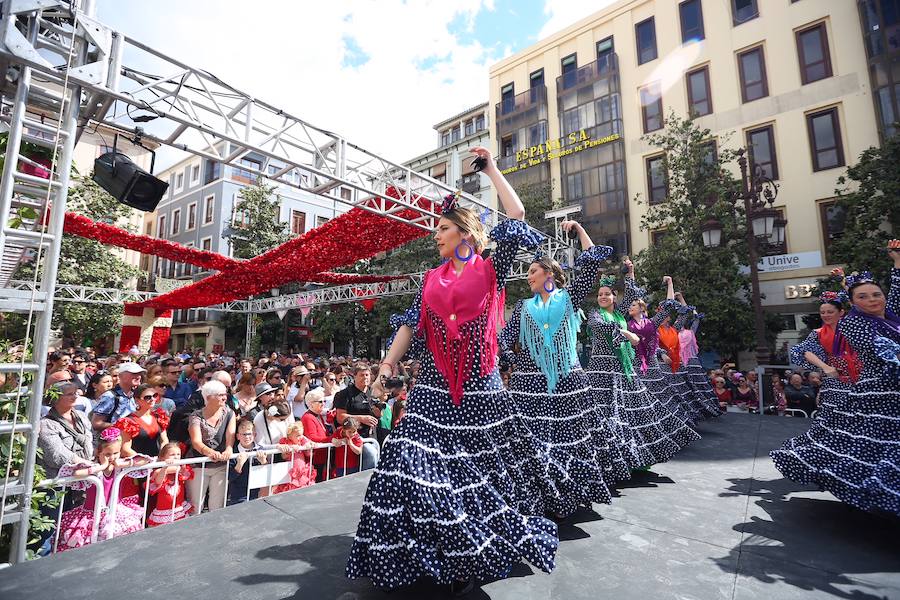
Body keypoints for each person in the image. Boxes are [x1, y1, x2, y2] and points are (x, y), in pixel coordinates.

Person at [347, 146, 558, 593]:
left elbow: (516, 213)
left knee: (475, 476)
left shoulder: (491, 268)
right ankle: (416, 558)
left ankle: (468, 555)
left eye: (442, 229)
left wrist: (492, 169)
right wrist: (386, 366)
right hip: (434, 389)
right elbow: (409, 325)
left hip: (481, 390)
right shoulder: (429, 279)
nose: (435, 236)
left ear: (464, 233)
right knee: (403, 462)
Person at [499, 220, 625, 517]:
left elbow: (591, 263)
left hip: (566, 382)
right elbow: (506, 336)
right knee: (531, 443)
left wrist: (579, 229)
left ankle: (567, 495)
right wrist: (508, 356)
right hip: (527, 385)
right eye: (528, 272)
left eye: (533, 271)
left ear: (551, 275)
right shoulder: (521, 307)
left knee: (565, 440)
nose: (528, 276)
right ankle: (538, 499)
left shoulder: (568, 300)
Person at [775, 245, 900, 515]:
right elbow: (803, 352)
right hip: (855, 385)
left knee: (866, 438)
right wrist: (825, 368)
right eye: (822, 312)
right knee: (841, 432)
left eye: (830, 311)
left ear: (839, 311)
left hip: (864, 383)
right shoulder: (839, 328)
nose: (826, 315)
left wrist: (896, 263)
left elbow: (883, 299)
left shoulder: (888, 319)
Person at [585, 263, 700, 471]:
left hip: (623, 369)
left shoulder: (621, 314)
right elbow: (600, 328)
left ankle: (631, 457)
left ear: (614, 297)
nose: (602, 297)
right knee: (604, 414)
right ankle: (604, 460)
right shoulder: (596, 315)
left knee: (632, 413)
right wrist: (629, 334)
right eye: (600, 294)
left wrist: (630, 273)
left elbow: (631, 296)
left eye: (607, 294)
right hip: (600, 373)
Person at [54, 428, 151, 551]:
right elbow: (76, 473)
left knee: (120, 544)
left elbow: (147, 460)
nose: (112, 457)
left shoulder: (119, 467)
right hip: (92, 515)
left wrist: (124, 464)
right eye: (107, 454)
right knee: (91, 546)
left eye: (116, 453)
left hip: (117, 512)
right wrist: (102, 467)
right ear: (98, 453)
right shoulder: (94, 469)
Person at [185, 380, 235, 514]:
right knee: (195, 505)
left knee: (217, 505)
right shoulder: (196, 416)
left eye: (225, 394)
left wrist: (229, 449)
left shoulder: (229, 413)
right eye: (219, 395)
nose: (224, 397)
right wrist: (210, 453)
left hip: (221, 466)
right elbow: (196, 442)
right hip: (198, 466)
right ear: (208, 397)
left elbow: (230, 435)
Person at [38, 382, 94, 479]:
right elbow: (56, 454)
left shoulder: (82, 416)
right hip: (58, 480)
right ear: (56, 398)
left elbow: (93, 439)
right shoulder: (47, 424)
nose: (75, 396)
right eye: (70, 394)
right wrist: (84, 463)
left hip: (86, 475)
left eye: (75, 393)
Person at [332, 366, 380, 471]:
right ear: (354, 376)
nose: (365, 378)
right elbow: (340, 418)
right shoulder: (344, 394)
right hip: (353, 440)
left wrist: (379, 412)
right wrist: (361, 418)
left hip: (373, 437)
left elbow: (377, 414)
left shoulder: (373, 392)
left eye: (367, 375)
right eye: (361, 375)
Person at [146, 442, 193, 527]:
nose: (176, 457)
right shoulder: (160, 472)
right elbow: (158, 482)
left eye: (178, 454)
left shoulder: (181, 468)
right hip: (164, 510)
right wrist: (164, 468)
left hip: (178, 509)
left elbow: (181, 470)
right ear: (163, 457)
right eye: (172, 454)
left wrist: (161, 470)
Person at [117, 383, 170, 457]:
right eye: (147, 397)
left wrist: (162, 456)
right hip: (138, 464)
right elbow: (125, 449)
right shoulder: (128, 421)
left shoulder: (159, 416)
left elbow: (164, 441)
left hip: (158, 462)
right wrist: (145, 459)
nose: (152, 399)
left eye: (154, 396)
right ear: (137, 400)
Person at [91, 361, 145, 432]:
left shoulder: (134, 394)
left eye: (139, 373)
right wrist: (121, 425)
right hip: (114, 440)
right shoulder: (110, 396)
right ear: (121, 376)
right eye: (134, 373)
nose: (138, 377)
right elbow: (96, 424)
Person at [227, 418, 268, 505]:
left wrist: (263, 462)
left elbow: (267, 473)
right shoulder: (234, 452)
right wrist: (239, 464)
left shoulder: (260, 449)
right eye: (244, 434)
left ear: (254, 435)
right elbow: (230, 477)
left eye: (249, 434)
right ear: (238, 436)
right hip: (239, 494)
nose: (247, 437)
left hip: (257, 491)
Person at [272, 422, 316, 493]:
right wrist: (290, 449)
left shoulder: (301, 441)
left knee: (304, 489)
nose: (301, 437)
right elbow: (284, 456)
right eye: (298, 435)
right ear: (289, 436)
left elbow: (308, 454)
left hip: (302, 472)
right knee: (289, 490)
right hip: (290, 473)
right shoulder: (285, 442)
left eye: (302, 435)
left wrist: (307, 447)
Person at [300, 388, 334, 483]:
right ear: (311, 403)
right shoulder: (307, 417)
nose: (323, 403)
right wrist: (331, 439)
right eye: (320, 401)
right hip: (315, 458)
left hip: (322, 455)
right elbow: (312, 438)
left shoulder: (317, 415)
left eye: (324, 401)